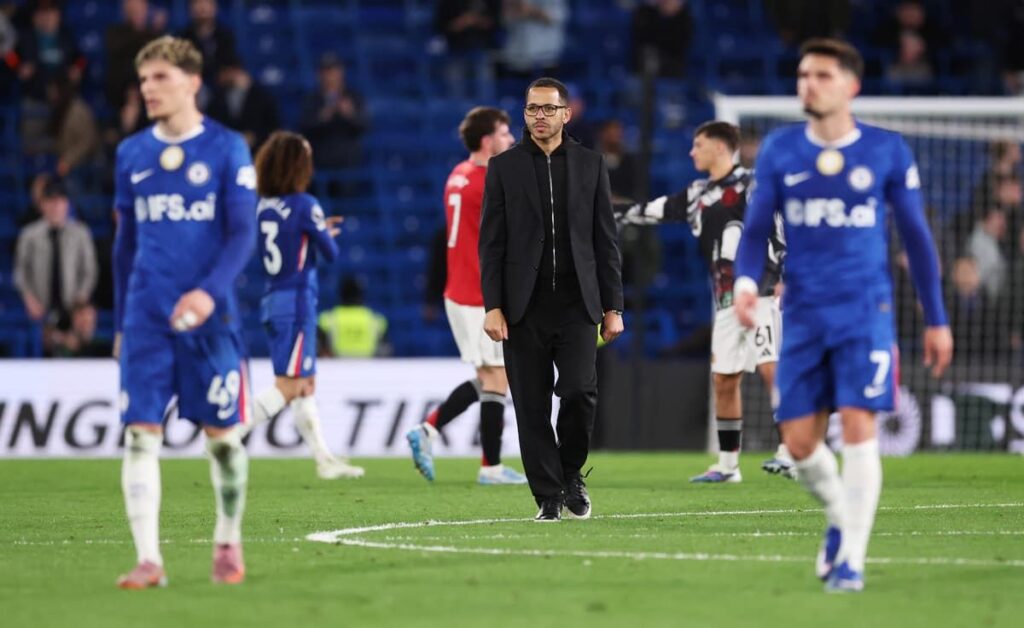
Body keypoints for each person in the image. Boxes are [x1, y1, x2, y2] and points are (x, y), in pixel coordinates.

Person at [734, 38, 952, 592]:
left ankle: (851, 558)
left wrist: (937, 318)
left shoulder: (886, 150)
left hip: (865, 310)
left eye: (822, 75)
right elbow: (756, 230)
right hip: (802, 313)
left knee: (859, 426)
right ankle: (839, 517)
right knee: (801, 445)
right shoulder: (782, 150)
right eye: (803, 74)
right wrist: (743, 282)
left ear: (850, 86)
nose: (809, 83)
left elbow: (918, 238)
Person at [112, 36, 257, 589]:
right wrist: (126, 317)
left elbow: (242, 232)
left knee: (222, 440)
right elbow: (125, 245)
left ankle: (227, 536)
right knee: (140, 434)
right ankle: (149, 559)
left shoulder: (226, 148)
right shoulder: (131, 154)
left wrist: (208, 292)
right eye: (143, 79)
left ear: (193, 82)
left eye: (160, 78)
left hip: (211, 318)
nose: (148, 88)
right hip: (147, 315)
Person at [616, 121, 795, 483]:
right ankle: (728, 466)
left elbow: (783, 228)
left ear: (719, 147)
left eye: (698, 144)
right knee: (724, 380)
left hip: (762, 290)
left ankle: (792, 451)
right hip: (726, 300)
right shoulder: (698, 192)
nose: (691, 152)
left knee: (771, 368)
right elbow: (652, 210)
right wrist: (607, 211)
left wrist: (787, 278)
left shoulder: (754, 185)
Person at [480, 77, 624, 521]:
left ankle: (570, 473)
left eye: (547, 108)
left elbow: (605, 239)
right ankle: (547, 494)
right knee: (531, 404)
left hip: (579, 302)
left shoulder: (590, 164)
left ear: (566, 113)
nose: (539, 116)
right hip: (524, 306)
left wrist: (613, 305)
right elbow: (492, 243)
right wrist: (493, 304)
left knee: (581, 391)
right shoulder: (503, 167)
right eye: (531, 109)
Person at [405, 106, 527, 486]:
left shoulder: (457, 175)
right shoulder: (489, 180)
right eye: (505, 134)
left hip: (460, 289)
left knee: (491, 375)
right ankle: (487, 465)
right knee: (497, 375)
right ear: (489, 140)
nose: (510, 140)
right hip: (477, 292)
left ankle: (428, 430)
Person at [240, 131, 364, 480]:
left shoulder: (264, 205)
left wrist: (314, 231)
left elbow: (288, 240)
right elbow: (330, 254)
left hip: (274, 298)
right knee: (290, 385)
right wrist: (321, 231)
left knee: (305, 384)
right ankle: (229, 434)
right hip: (296, 303)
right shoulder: (305, 204)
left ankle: (324, 459)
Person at [13, 177, 98, 352]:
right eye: (51, 201)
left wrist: (80, 298)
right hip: (40, 305)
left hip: (72, 304)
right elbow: (21, 271)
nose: (56, 206)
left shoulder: (80, 233)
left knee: (85, 322)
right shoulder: (29, 235)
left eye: (60, 201)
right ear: (42, 204)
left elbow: (89, 270)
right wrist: (29, 298)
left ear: (67, 203)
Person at [318, 277, 389, 357]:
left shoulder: (328, 319)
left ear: (341, 294)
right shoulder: (376, 320)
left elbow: (321, 350)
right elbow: (385, 351)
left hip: (337, 366)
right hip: (368, 366)